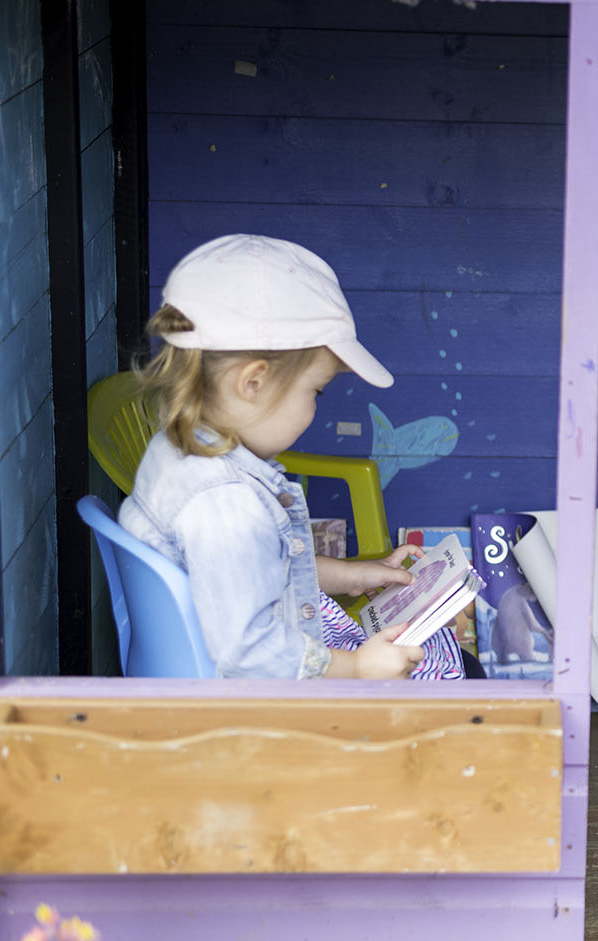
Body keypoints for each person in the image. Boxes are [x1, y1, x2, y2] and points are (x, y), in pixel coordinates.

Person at [120, 233, 467, 680]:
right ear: (253, 383)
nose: (315, 410)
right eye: (315, 391)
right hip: (253, 711)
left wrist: (348, 576)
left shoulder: (177, 452)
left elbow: (258, 570)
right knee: (444, 673)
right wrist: (359, 668)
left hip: (218, 689)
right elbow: (250, 652)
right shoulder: (225, 505)